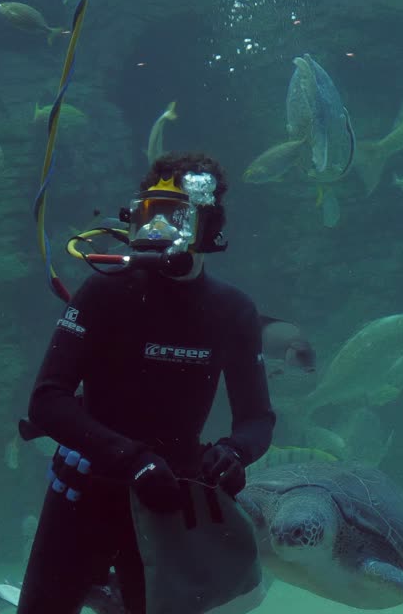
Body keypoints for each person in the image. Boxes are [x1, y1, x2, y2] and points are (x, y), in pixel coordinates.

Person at [16, 153, 275, 614]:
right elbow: (47, 401)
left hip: (170, 500)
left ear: (208, 226)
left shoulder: (232, 311)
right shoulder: (104, 293)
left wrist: (235, 453)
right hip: (83, 491)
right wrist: (132, 458)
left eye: (175, 217)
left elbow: (257, 418)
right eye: (149, 214)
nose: (158, 230)